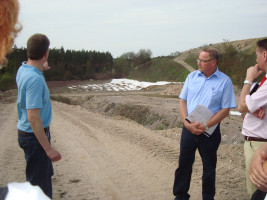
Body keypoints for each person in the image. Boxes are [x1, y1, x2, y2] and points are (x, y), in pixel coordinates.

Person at [173, 47, 237, 200]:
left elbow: (225, 109)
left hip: (210, 131)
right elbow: (183, 101)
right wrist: (186, 123)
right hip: (189, 128)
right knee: (184, 163)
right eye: (198, 60)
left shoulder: (225, 81)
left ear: (213, 62)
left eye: (203, 60)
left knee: (209, 167)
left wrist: (206, 125)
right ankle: (180, 195)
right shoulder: (191, 77)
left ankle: (208, 197)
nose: (198, 63)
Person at [16, 34, 61, 199]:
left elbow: (33, 68)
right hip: (34, 137)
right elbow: (33, 117)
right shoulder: (34, 78)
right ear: (46, 53)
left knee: (43, 180)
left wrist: (42, 66)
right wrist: (48, 149)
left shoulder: (24, 69)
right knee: (39, 190)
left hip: (30, 135)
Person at [238, 38, 267, 198]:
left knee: (257, 190)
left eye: (257, 54)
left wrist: (248, 79)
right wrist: (252, 108)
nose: (255, 59)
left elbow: (241, 105)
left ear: (264, 55)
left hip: (259, 145)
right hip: (256, 142)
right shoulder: (264, 82)